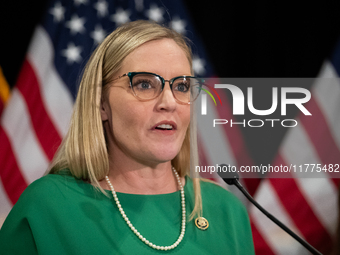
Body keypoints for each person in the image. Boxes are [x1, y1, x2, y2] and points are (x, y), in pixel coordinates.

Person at [0, 20, 255, 254]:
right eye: (144, 84)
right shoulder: (47, 207)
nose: (169, 102)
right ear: (101, 103)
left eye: (181, 86)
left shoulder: (227, 210)